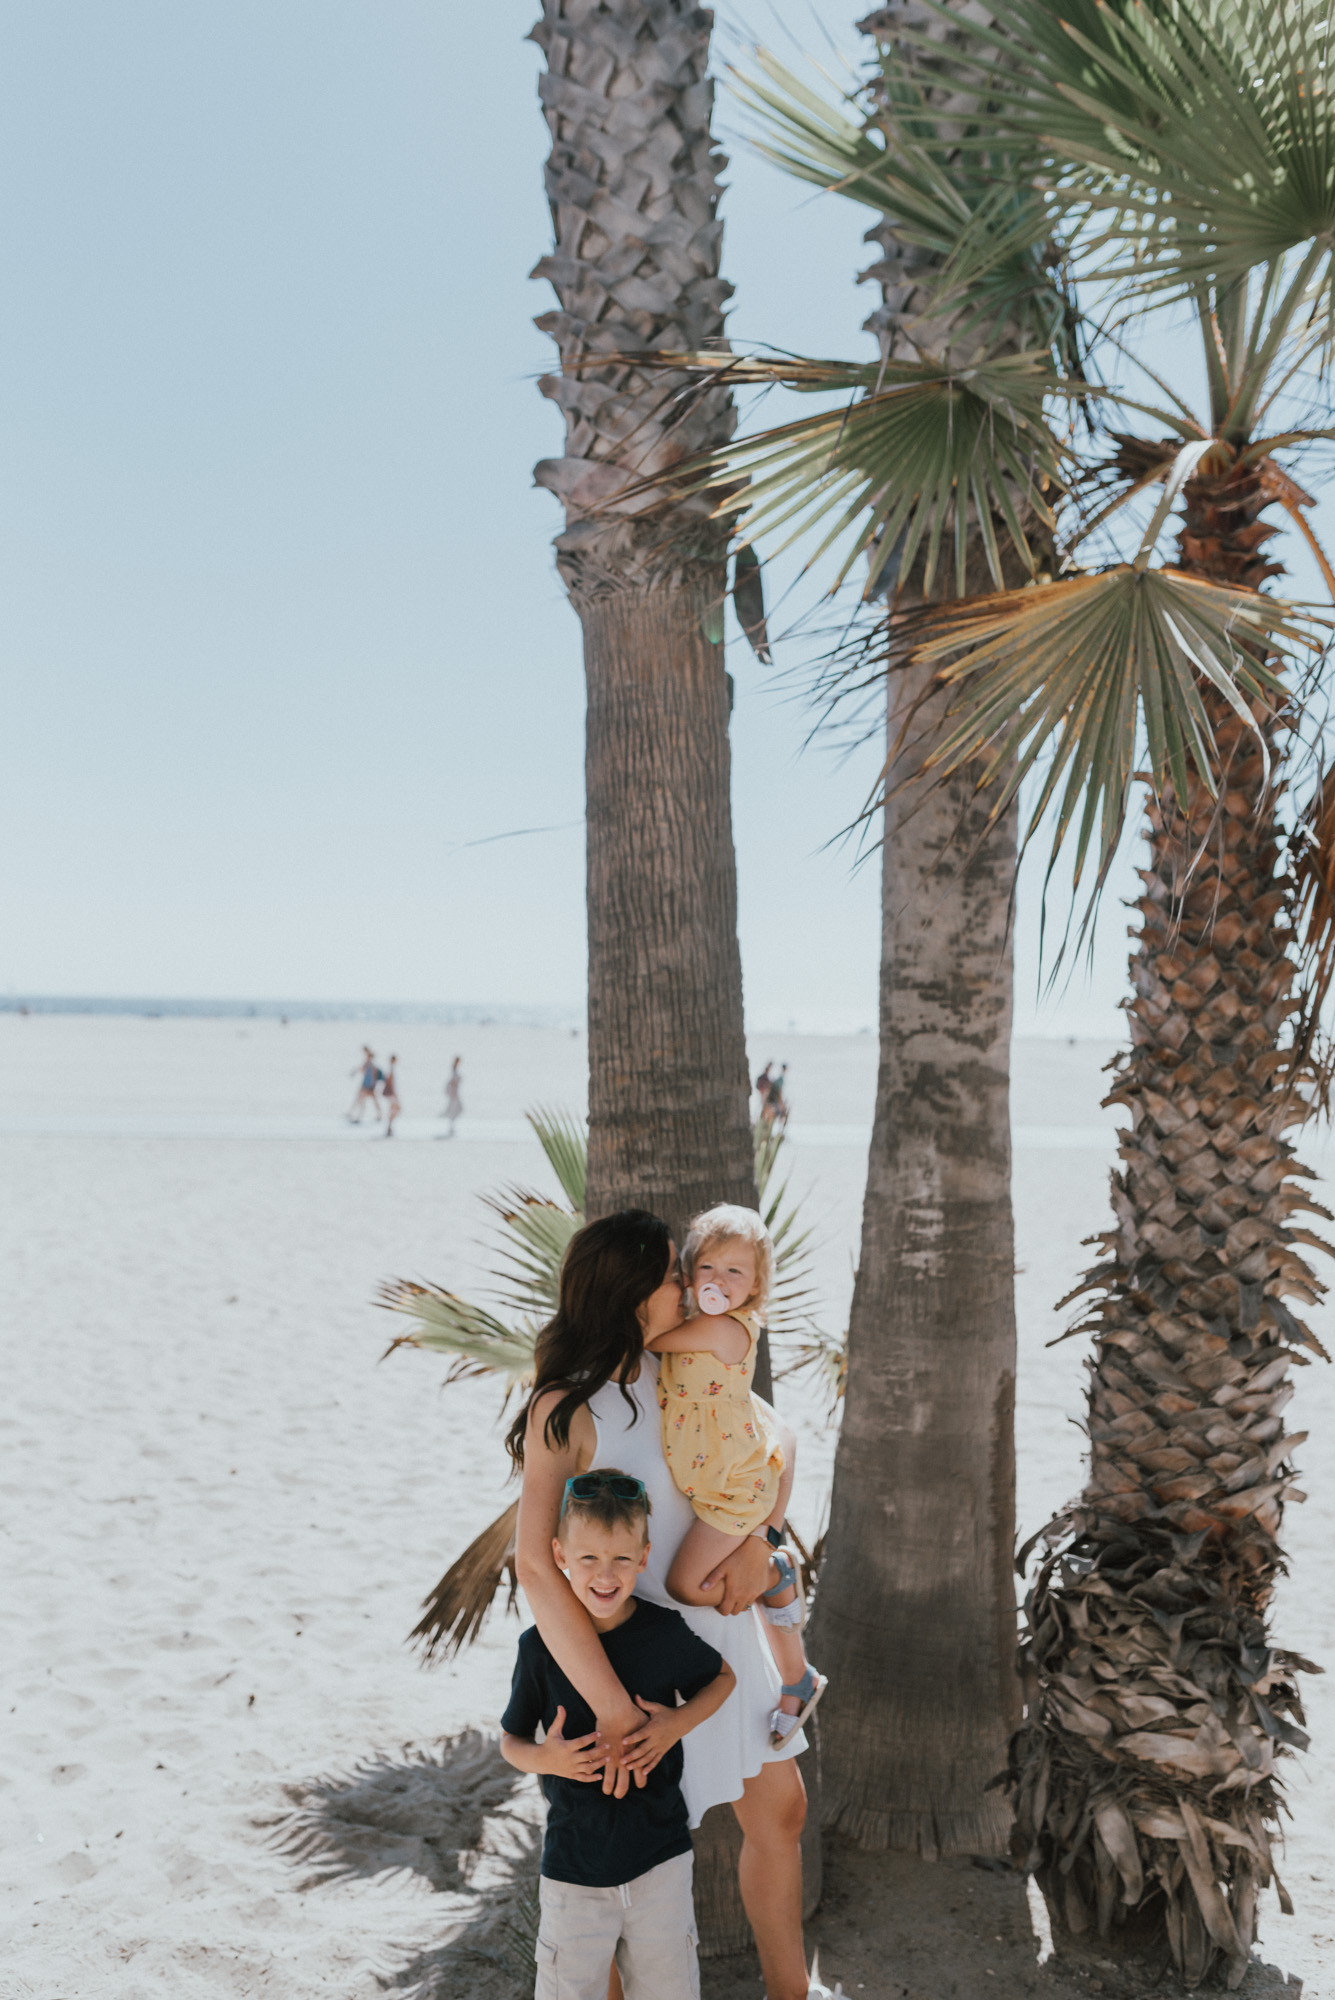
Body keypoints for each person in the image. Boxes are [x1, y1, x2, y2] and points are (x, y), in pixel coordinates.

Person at [508, 1210, 833, 2000]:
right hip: (626, 1661)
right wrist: (613, 1707)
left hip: (723, 1628)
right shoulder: (566, 1405)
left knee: (779, 1816)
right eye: (667, 1276)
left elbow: (775, 1438)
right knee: (619, 1861)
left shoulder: (683, 1363)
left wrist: (762, 1533)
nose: (686, 1287)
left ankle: (789, 1993)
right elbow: (535, 1565)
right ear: (628, 1294)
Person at [501, 1470, 736, 2000]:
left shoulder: (662, 1633)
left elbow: (723, 1679)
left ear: (644, 1557)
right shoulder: (538, 1649)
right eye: (588, 1559)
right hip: (573, 1870)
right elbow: (510, 1743)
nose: (604, 1575)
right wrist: (549, 1760)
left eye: (621, 1560)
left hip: (662, 1860)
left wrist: (676, 1723)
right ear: (559, 1554)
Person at [647, 1205, 826, 1745]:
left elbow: (653, 1341)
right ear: (690, 1273)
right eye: (708, 1269)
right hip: (718, 1484)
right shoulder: (704, 1325)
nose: (719, 1282)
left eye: (735, 1272)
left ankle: (774, 1575)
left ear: (755, 1286)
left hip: (733, 1492)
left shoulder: (724, 1330)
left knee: (686, 1584)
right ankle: (798, 1674)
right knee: (695, 1584)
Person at [348, 1045, 382, 1124]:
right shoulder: (370, 1065)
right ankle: (378, 1115)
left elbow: (371, 1076)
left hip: (367, 1087)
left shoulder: (370, 1065)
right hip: (368, 1086)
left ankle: (357, 1116)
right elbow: (362, 1070)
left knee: (361, 1101)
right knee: (363, 1100)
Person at [441, 1055, 463, 1136]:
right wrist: (453, 1093)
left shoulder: (455, 1070)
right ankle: (451, 1126)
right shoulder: (454, 1071)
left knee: (455, 1109)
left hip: (455, 1093)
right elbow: (452, 1082)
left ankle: (451, 1125)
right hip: (454, 1094)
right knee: (455, 1109)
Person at [381, 1055, 401, 1138]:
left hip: (390, 1093)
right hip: (391, 1094)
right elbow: (389, 1081)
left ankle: (389, 1127)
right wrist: (394, 1093)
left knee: (393, 1109)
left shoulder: (391, 1068)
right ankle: (389, 1126)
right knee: (397, 1108)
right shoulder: (391, 1069)